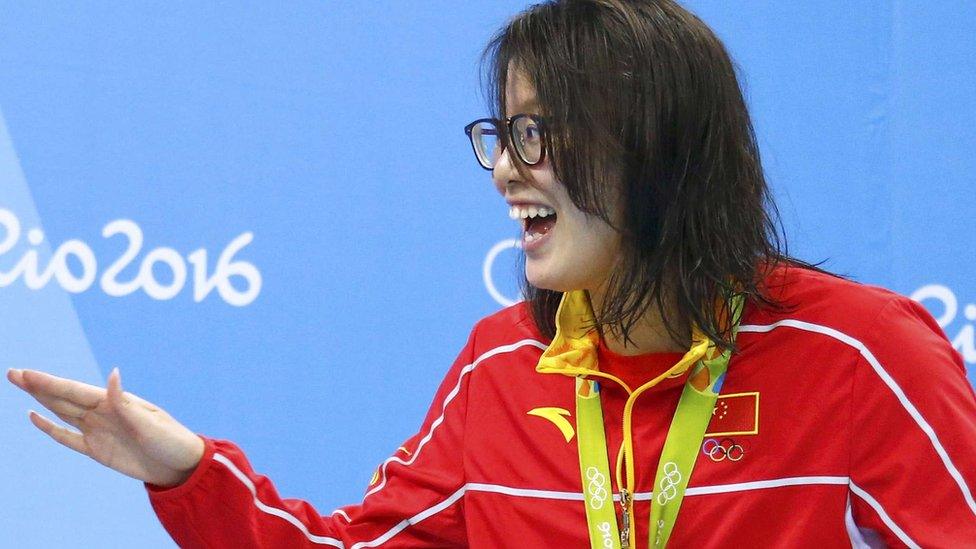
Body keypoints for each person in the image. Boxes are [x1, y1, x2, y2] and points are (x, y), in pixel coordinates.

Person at [8, 1, 976, 547]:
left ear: (654, 147)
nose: (509, 167)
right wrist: (188, 471)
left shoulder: (861, 354)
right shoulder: (500, 369)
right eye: (503, 134)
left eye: (537, 132)